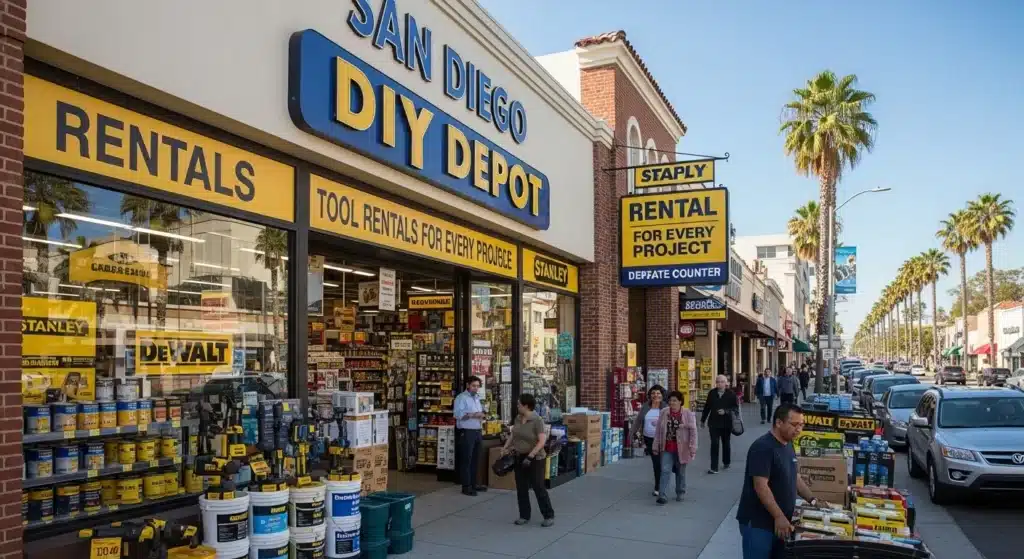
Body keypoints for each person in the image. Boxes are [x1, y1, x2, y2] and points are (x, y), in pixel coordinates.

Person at [737, 404, 821, 559]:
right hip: (759, 524)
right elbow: (761, 486)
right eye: (794, 424)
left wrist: (814, 500)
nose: (799, 429)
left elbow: (794, 476)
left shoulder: (788, 444)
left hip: (781, 523)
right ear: (778, 423)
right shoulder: (763, 448)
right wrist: (779, 516)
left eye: (801, 425)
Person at [504, 393, 555, 527]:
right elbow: (513, 434)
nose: (517, 406)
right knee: (521, 487)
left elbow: (542, 441)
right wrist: (506, 447)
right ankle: (524, 515)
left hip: (535, 457)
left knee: (538, 486)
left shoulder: (537, 420)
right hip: (519, 456)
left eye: (519, 404)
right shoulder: (518, 418)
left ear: (526, 406)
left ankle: (548, 515)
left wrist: (531, 455)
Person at [651, 390, 697, 505]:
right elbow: (658, 431)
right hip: (667, 446)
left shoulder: (687, 413)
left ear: (680, 402)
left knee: (680, 471)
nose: (672, 403)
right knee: (665, 470)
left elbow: (693, 431)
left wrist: (692, 447)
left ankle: (680, 491)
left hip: (682, 447)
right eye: (670, 400)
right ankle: (662, 495)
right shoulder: (664, 412)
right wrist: (656, 445)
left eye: (675, 400)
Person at [454, 376, 487, 496]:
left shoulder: (477, 398)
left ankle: (474, 484)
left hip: (477, 430)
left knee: (475, 459)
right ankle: (466, 486)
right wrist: (474, 415)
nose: (476, 388)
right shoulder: (461, 398)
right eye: (474, 386)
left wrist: (482, 415)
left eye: (478, 386)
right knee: (466, 460)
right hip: (467, 431)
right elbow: (458, 414)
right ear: (468, 385)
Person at [632, 384, 667, 496]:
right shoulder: (646, 406)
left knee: (662, 463)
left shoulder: (666, 407)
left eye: (658, 393)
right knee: (656, 463)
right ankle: (658, 486)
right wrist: (632, 433)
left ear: (662, 395)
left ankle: (661, 485)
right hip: (649, 439)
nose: (655, 395)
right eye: (653, 393)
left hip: (663, 439)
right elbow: (638, 420)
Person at [700, 374, 740, 474]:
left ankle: (726, 461)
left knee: (726, 443)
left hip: (726, 423)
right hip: (713, 423)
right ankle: (714, 467)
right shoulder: (712, 393)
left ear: (726, 383)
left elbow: (735, 409)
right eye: (718, 382)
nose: (720, 384)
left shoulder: (731, 394)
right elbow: (707, 407)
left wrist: (726, 411)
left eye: (722, 382)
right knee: (714, 444)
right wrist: (702, 420)